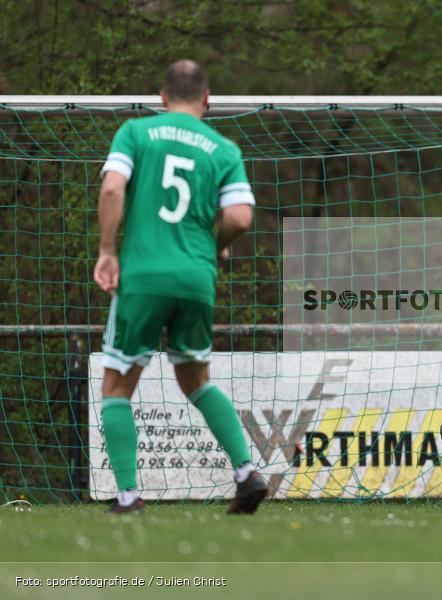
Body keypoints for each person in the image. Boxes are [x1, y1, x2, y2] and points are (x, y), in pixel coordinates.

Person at [93, 59, 267, 514]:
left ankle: (129, 496)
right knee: (195, 379)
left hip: (145, 274)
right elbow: (241, 218)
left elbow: (112, 189)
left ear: (162, 97)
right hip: (195, 277)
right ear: (208, 98)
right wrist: (216, 244)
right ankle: (246, 472)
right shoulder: (224, 149)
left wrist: (108, 251)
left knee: (116, 384)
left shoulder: (136, 132)